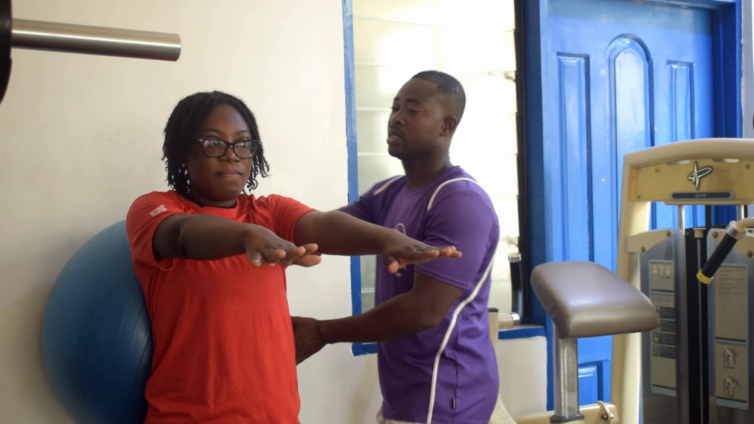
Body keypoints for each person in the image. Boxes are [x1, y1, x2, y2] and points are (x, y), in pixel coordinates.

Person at [125, 90, 461, 424]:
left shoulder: (270, 211)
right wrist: (247, 235)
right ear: (184, 153)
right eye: (214, 143)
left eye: (243, 144)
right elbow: (182, 236)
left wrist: (385, 238)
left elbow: (321, 224)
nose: (231, 155)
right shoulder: (154, 209)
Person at [292, 71, 500, 424]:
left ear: (446, 126)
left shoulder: (459, 200)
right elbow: (324, 231)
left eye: (412, 110)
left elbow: (424, 311)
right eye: (395, 107)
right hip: (406, 396)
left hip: (445, 396)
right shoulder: (389, 193)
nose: (397, 118)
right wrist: (264, 236)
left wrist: (324, 332)